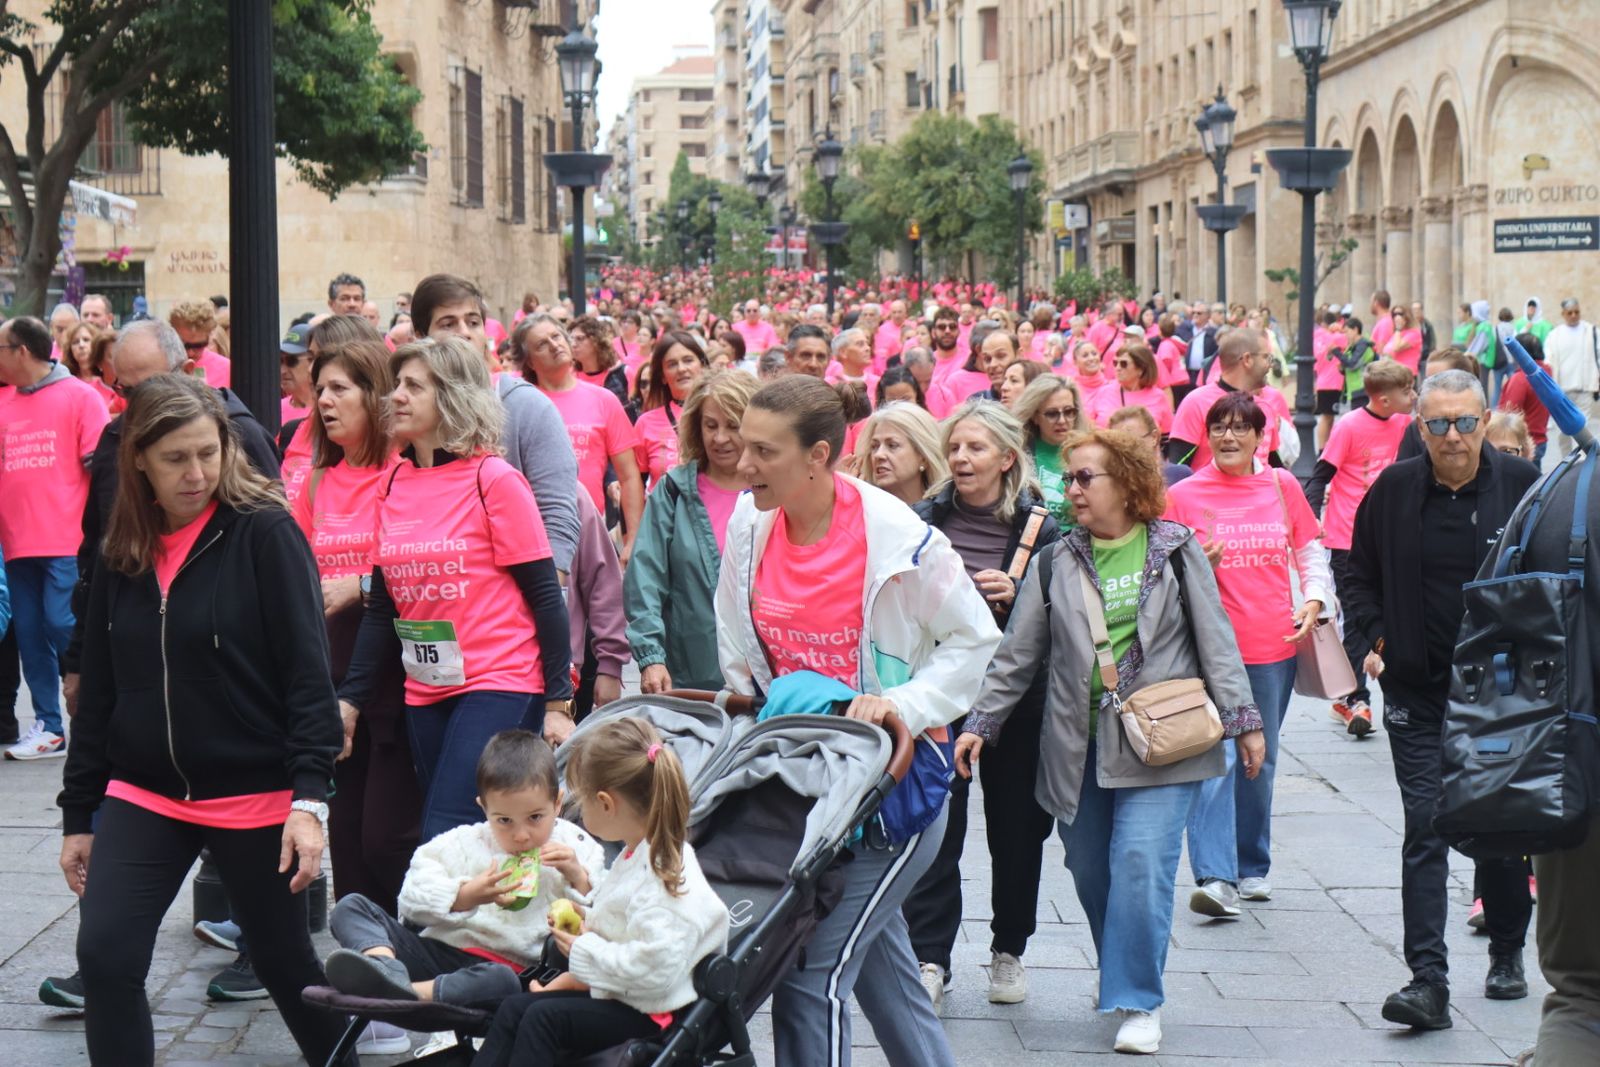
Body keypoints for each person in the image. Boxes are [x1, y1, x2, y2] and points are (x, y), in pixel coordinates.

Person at [58, 374, 347, 1067]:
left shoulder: (265, 533)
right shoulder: (122, 548)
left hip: (253, 796)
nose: (196, 474)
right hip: (144, 791)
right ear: (139, 462)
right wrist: (78, 812)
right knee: (104, 954)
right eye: (175, 459)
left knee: (287, 966)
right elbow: (98, 690)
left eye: (207, 453)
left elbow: (309, 677)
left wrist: (309, 799)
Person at [716, 375, 1001, 1067]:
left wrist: (901, 704)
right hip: (804, 784)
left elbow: (976, 641)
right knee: (879, 964)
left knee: (810, 971)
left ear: (818, 456)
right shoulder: (748, 526)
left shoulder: (899, 538)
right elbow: (738, 650)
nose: (741, 463)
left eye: (762, 450)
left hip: (893, 786)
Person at [957, 426, 1263, 1055]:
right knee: (1091, 866)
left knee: (1139, 863)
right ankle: (1121, 964)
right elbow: (1016, 657)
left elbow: (1217, 641)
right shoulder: (1054, 561)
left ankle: (1138, 999)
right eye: (1067, 479)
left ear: (1127, 485)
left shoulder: (1175, 550)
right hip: (1078, 746)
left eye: (1084, 479)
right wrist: (980, 725)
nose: (1071, 491)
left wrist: (1245, 720)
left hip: (1165, 743)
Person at [1343, 370, 1540, 1029]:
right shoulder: (1395, 490)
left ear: (1485, 421)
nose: (1451, 436)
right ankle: (1428, 979)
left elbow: (1555, 581)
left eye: (1463, 422)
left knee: (1496, 823)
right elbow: (1355, 571)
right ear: (1418, 427)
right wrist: (1376, 636)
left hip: (1500, 693)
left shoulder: (1521, 489)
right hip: (1417, 689)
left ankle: (1509, 947)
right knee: (1425, 825)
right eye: (1436, 424)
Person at [338, 337, 573, 844]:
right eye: (397, 384)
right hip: (426, 687)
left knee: (444, 829)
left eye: (413, 386)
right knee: (470, 836)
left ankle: (428, 924)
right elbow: (383, 610)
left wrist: (558, 702)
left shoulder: (495, 479)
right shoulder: (393, 482)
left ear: (452, 397)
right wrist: (350, 700)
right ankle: (504, 920)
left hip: (501, 680)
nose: (395, 396)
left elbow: (545, 596)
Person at [901, 401, 1060, 1012]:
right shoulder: (921, 521)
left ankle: (1008, 948)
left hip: (1016, 699)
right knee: (939, 827)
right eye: (955, 448)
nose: (962, 458)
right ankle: (931, 958)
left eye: (975, 448)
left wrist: (1020, 594)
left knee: (1017, 831)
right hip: (944, 695)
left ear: (1006, 459)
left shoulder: (1040, 529)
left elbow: (1065, 613)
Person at [471, 718, 730, 1066]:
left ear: (606, 803)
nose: (580, 811)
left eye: (583, 801)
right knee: (515, 1008)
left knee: (542, 1019)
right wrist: (587, 919)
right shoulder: (638, 852)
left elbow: (655, 970)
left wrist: (584, 948)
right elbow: (628, 923)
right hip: (626, 995)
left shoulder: (668, 877)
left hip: (653, 1011)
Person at [1165, 393, 1331, 917]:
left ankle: (1251, 865)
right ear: (1206, 435)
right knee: (1218, 757)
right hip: (1206, 652)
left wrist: (1314, 598)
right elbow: (1158, 569)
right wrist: (1192, 561)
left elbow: (1309, 549)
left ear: (1262, 437)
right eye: (1219, 428)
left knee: (1262, 758)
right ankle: (1216, 877)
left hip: (1271, 647)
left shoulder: (1282, 487)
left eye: (1241, 428)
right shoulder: (1184, 494)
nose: (1229, 437)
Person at [323, 730, 603, 1006]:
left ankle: (407, 993)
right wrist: (465, 895)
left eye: (534, 817)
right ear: (484, 808)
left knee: (500, 980)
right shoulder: (462, 842)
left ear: (557, 803)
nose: (521, 835)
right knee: (351, 906)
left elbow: (609, 914)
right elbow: (410, 899)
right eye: (504, 820)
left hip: (508, 969)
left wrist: (577, 877)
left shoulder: (574, 845)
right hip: (440, 954)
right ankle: (384, 968)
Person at [290, 336, 420, 916]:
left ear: (375, 396)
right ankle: (366, 964)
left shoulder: (407, 474)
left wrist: (360, 587)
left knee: (386, 837)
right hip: (329, 678)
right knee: (346, 840)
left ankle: (408, 951)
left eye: (340, 388)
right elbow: (293, 572)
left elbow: (420, 570)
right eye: (319, 390)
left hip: (399, 681)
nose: (324, 401)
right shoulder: (317, 482)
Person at [410, 274, 581, 575]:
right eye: (448, 324)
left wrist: (543, 603)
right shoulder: (407, 413)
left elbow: (557, 518)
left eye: (473, 322)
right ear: (420, 336)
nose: (464, 333)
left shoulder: (526, 406)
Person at [0, 315, 110, 759]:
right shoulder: (4, 403)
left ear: (21, 352)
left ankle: (98, 706)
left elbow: (99, 470)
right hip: (16, 542)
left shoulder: (80, 397)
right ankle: (49, 725)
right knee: (28, 631)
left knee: (61, 622)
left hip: (66, 540)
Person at [1303, 359, 1417, 737]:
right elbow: (1322, 475)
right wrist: (1307, 526)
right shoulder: (1349, 426)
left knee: (1396, 612)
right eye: (1408, 391)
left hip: (1392, 535)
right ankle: (1355, 699)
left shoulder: (1408, 425)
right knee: (1356, 618)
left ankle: (1397, 694)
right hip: (1347, 538)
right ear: (1384, 399)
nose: (1414, 397)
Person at [625, 371, 759, 694]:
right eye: (711, 425)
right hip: (691, 679)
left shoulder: (778, 490)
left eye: (733, 425)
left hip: (767, 678)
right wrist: (651, 657)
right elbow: (645, 578)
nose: (720, 438)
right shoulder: (674, 491)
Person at [517, 314, 645, 563]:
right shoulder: (521, 403)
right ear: (530, 362)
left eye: (556, 336)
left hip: (592, 534)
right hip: (536, 539)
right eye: (542, 344)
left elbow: (629, 475)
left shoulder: (604, 399)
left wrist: (633, 539)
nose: (555, 345)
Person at [1166, 329, 1283, 470]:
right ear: (1247, 360)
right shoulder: (1196, 403)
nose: (1270, 364)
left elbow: (1275, 467)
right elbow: (1177, 470)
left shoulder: (1265, 407)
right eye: (1266, 357)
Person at [633, 331, 710, 486]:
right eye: (672, 364)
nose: (681, 369)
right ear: (662, 376)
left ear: (702, 365)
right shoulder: (645, 423)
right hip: (663, 510)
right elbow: (636, 484)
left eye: (688, 360)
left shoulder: (722, 413)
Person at [849, 401, 950, 506]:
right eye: (874, 447)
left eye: (892, 445)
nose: (878, 455)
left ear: (923, 457)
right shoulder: (862, 510)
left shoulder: (949, 512)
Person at [1544, 298, 1599, 461]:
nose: (1574, 315)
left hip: (1585, 388)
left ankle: (1580, 464)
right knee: (1563, 432)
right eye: (1570, 313)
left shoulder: (1591, 331)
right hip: (1561, 391)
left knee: (1582, 429)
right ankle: (1566, 462)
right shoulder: (1554, 335)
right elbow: (1548, 359)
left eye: (1577, 312)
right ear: (1563, 314)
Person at [1087, 342, 1173, 433]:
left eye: (1124, 364)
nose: (1118, 368)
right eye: (1115, 363)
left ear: (1141, 369)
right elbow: (1089, 425)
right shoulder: (1104, 391)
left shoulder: (1158, 397)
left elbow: (1167, 436)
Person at [1496, 332, 1552, 467]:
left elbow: (1508, 414)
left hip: (1524, 444)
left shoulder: (1520, 379)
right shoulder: (1546, 371)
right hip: (1539, 440)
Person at [1107, 405, 1191, 487]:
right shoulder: (1113, 484)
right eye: (1120, 444)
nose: (1127, 449)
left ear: (1154, 437)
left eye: (1134, 441)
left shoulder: (1179, 475)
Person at [167, 300, 232, 388]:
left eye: (198, 346)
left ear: (211, 336)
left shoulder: (226, 368)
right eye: (183, 345)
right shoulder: (160, 365)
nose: (190, 353)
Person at [570, 315, 628, 405]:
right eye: (572, 339)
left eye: (580, 339)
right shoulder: (569, 375)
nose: (573, 344)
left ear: (596, 341)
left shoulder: (622, 373)